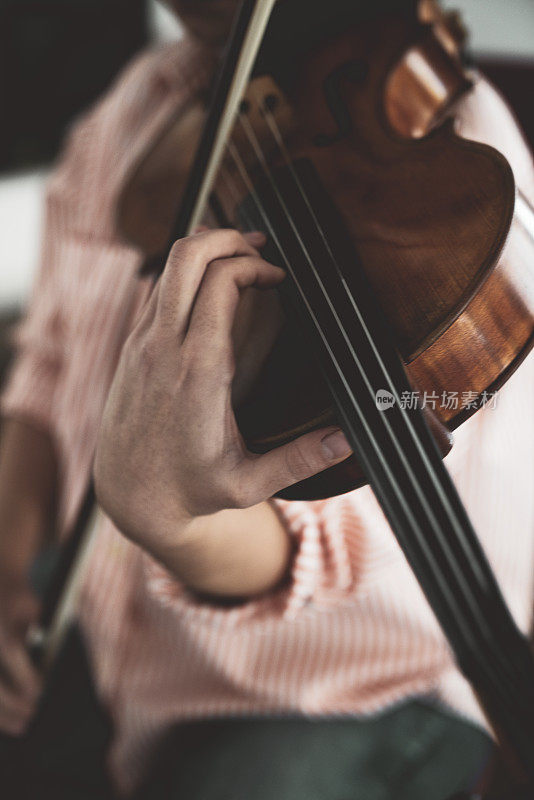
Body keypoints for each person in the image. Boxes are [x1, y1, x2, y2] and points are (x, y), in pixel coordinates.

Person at [1, 1, 533, 797]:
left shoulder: (445, 138)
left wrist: (173, 519)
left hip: (353, 688)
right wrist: (6, 567)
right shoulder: (129, 110)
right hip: (110, 636)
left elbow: (349, 540)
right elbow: (44, 374)